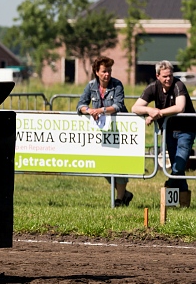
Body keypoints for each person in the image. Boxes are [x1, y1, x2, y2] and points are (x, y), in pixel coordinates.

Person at [132, 60, 196, 196]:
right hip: (168, 131)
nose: (168, 79)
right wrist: (150, 110)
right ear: (158, 76)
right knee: (176, 166)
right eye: (165, 76)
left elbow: (180, 107)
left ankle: (169, 187)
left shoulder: (179, 85)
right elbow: (135, 107)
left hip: (186, 130)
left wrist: (158, 113)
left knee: (179, 164)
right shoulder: (152, 87)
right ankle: (183, 198)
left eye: (170, 75)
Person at [76, 56, 132, 206]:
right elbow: (80, 104)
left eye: (109, 71)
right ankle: (125, 194)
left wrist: (100, 110)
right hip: (101, 132)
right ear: (96, 72)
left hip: (119, 130)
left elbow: (118, 105)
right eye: (104, 71)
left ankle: (119, 200)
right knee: (103, 165)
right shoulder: (90, 86)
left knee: (119, 164)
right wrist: (88, 110)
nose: (107, 74)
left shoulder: (117, 85)